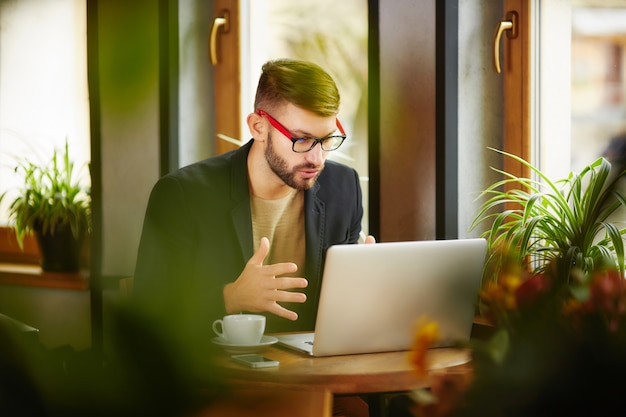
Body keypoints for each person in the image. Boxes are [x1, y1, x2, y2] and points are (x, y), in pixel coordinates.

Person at [133, 58, 373, 416]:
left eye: (327, 139)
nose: (316, 158)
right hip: (212, 384)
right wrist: (229, 298)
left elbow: (337, 311)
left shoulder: (343, 187)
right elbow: (146, 323)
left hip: (312, 378)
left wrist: (364, 283)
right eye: (303, 139)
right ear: (259, 126)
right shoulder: (182, 195)